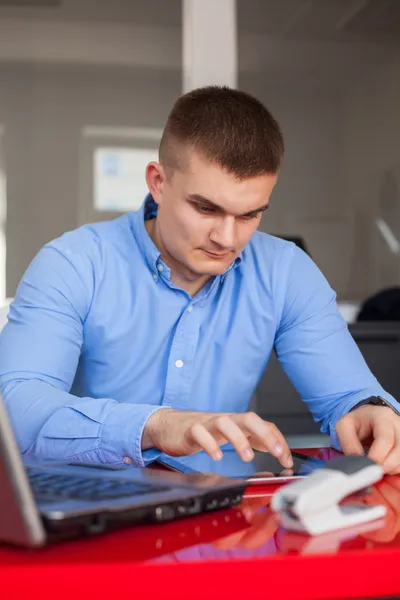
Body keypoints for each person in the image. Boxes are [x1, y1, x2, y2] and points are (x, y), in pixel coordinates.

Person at [1, 86, 400, 474]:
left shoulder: (287, 272)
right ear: (158, 182)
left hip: (225, 523)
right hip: (91, 514)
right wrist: (156, 425)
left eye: (250, 215)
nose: (227, 239)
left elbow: (350, 396)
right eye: (206, 208)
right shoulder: (72, 264)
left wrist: (372, 413)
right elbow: (16, 408)